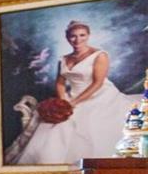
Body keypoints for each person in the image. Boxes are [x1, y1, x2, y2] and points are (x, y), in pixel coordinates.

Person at [16, 21, 138, 165]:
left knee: (89, 123)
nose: (78, 39)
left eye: (82, 35)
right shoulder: (64, 59)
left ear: (88, 36)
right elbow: (60, 82)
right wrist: (63, 102)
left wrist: (74, 103)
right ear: (67, 38)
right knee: (55, 126)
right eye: (73, 36)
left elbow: (97, 83)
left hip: (99, 94)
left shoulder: (99, 55)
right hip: (72, 95)